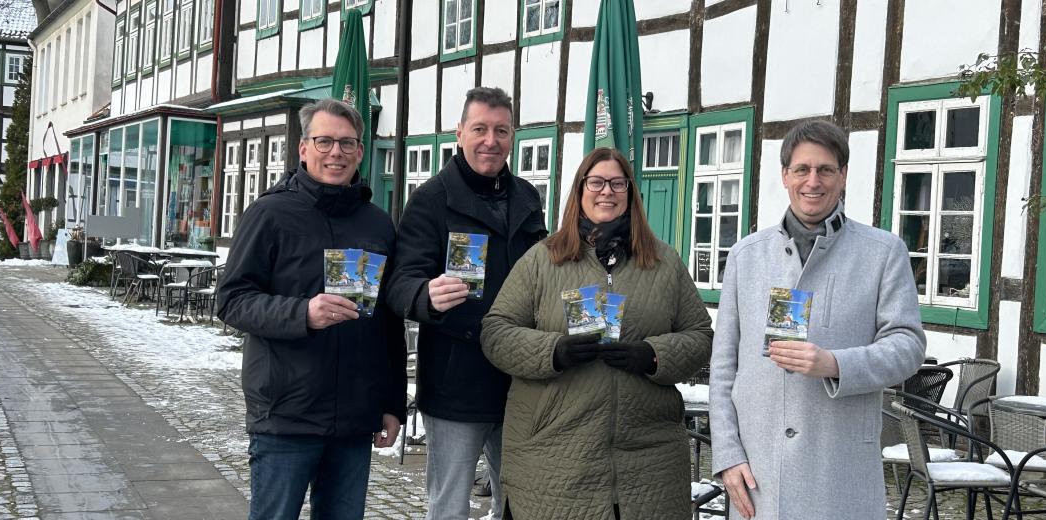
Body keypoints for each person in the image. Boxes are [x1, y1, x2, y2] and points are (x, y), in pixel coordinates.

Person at [481, 147, 713, 519]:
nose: (607, 191)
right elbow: (495, 333)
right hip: (554, 456)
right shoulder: (544, 259)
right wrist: (553, 351)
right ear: (580, 190)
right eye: (597, 182)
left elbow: (701, 335)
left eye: (618, 183)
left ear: (630, 192)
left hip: (648, 463)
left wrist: (654, 356)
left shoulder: (664, 262)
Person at [709, 120, 926, 519]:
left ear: (842, 176)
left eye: (826, 170)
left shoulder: (882, 252)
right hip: (759, 473)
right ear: (784, 176)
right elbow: (724, 368)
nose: (814, 181)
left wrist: (836, 364)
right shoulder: (746, 255)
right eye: (802, 170)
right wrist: (726, 453)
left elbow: (908, 347)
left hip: (839, 469)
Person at [216, 98, 407, 520]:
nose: (335, 153)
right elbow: (231, 299)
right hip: (287, 413)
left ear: (360, 152)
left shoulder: (377, 223)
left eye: (346, 143)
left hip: (355, 417)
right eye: (324, 142)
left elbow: (388, 321)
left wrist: (393, 402)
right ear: (303, 148)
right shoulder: (269, 213)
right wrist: (303, 313)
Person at [386, 86, 548, 520]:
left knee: (520, 503)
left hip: (520, 382)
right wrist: (426, 296)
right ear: (459, 133)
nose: (490, 140)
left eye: (501, 130)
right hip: (457, 379)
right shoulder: (430, 199)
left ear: (514, 136)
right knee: (450, 506)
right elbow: (399, 283)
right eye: (479, 129)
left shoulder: (528, 197)